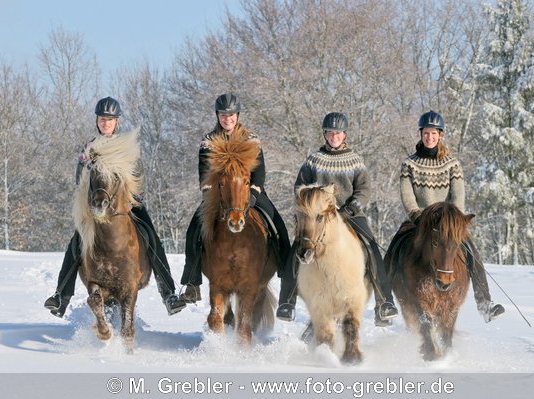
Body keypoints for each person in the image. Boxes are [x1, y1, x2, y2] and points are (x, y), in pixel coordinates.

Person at [43, 96, 186, 317]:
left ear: (116, 121)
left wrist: (131, 200)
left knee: (151, 237)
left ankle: (168, 294)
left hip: (126, 203)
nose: (105, 123)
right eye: (102, 119)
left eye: (109, 120)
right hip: (96, 205)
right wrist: (88, 202)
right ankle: (61, 295)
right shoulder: (89, 148)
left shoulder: (126, 146)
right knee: (77, 241)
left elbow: (138, 175)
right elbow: (80, 178)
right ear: (97, 121)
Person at [276, 112, 399, 326]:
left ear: (345, 135)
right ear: (325, 134)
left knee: (371, 248)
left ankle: (384, 303)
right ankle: (287, 302)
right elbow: (300, 188)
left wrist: (350, 208)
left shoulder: (355, 160)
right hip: (318, 217)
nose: (334, 137)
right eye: (330, 133)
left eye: (338, 134)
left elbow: (364, 190)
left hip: (349, 215)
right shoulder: (313, 160)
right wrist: (314, 203)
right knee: (297, 248)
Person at [179, 93, 291, 303]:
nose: (227, 119)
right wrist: (212, 195)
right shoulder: (208, 142)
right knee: (193, 230)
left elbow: (260, 172)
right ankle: (192, 283)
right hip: (218, 196)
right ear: (217, 115)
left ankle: (288, 280)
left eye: (231, 115)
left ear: (237, 115)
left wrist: (254, 194)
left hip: (250, 194)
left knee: (279, 227)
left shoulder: (251, 139)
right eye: (223, 114)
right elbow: (205, 175)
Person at [397, 110, 505, 322]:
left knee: (472, 253)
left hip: (447, 222)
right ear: (421, 134)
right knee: (394, 249)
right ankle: (387, 302)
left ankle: (485, 303)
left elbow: (458, 195)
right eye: (426, 133)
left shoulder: (452, 163)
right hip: (419, 220)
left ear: (440, 135)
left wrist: (453, 219)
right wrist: (416, 214)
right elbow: (406, 194)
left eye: (434, 134)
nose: (430, 137)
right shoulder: (409, 164)